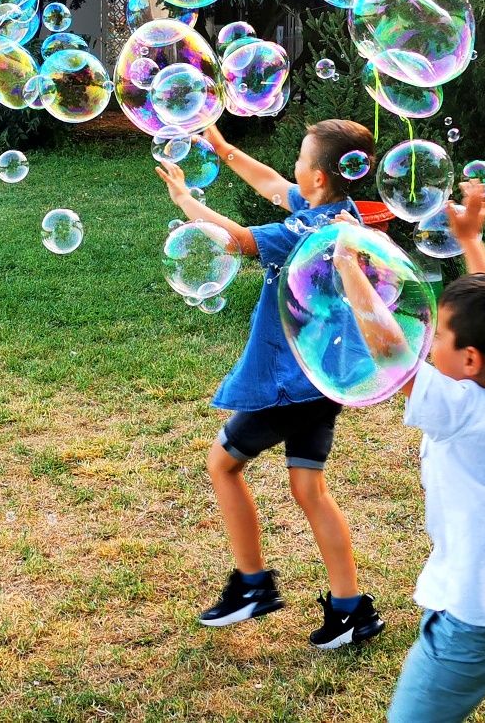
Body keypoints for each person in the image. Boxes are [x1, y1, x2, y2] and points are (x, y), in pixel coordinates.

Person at [155, 118, 384, 649]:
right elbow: (269, 183)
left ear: (320, 178)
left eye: (302, 160)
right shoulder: (337, 214)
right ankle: (350, 610)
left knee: (223, 464)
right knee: (309, 488)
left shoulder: (307, 235)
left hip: (290, 381)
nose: (293, 169)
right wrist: (221, 145)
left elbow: (233, 241)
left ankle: (253, 585)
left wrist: (186, 200)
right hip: (324, 378)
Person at [355, 180, 485, 723]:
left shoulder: (463, 412)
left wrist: (348, 264)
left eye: (437, 335)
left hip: (476, 617)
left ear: (469, 361)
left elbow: (389, 351)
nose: (427, 341)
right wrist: (471, 240)